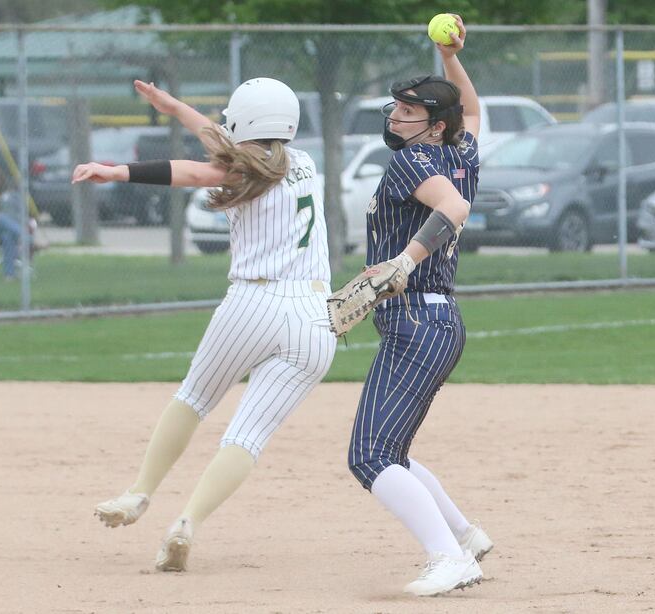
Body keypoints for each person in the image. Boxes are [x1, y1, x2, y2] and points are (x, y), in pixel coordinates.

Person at [72, 77, 336, 572]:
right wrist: (174, 107)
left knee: (193, 400)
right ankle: (188, 522)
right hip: (316, 317)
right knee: (248, 436)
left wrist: (119, 172)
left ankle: (138, 494)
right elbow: (225, 143)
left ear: (243, 122)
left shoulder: (237, 172)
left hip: (252, 304)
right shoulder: (303, 163)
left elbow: (194, 172)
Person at [341, 14, 494, 596]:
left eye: (409, 111)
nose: (395, 117)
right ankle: (464, 535)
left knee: (369, 456)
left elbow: (454, 210)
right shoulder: (459, 151)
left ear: (434, 126)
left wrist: (404, 260)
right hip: (437, 320)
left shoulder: (412, 161)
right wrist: (451, 55)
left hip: (417, 320)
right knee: (393, 450)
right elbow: (473, 112)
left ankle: (449, 557)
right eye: (396, 108)